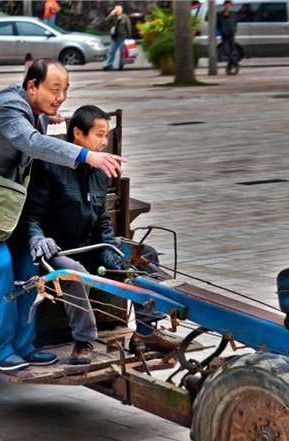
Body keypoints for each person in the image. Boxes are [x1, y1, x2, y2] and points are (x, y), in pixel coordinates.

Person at [0, 60, 125, 373]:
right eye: (54, 89)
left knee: (29, 264)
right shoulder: (7, 107)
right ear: (32, 86)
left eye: (65, 90)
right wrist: (86, 155)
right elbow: (30, 143)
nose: (61, 97)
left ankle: (23, 345)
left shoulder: (37, 113)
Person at [21, 105, 178, 365]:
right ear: (78, 134)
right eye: (99, 135)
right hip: (55, 252)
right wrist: (39, 239)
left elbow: (102, 220)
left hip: (89, 247)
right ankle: (83, 341)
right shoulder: (49, 167)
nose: (104, 142)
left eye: (106, 135)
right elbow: (32, 217)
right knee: (73, 272)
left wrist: (113, 252)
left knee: (144, 255)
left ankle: (145, 331)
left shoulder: (99, 173)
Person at [103, 5, 132, 71]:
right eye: (116, 10)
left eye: (119, 10)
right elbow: (106, 21)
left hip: (122, 37)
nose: (118, 11)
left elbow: (128, 26)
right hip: (114, 37)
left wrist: (129, 36)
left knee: (122, 52)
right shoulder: (113, 16)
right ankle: (109, 65)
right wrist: (111, 14)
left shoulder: (125, 17)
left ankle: (121, 64)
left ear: (121, 10)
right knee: (111, 51)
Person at [217, 1, 239, 75]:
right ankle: (235, 64)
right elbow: (218, 25)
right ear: (224, 5)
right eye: (226, 5)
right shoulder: (220, 15)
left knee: (232, 52)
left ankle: (229, 69)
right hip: (224, 36)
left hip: (232, 36)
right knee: (227, 52)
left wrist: (234, 30)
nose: (228, 6)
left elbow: (235, 23)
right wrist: (220, 31)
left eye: (229, 5)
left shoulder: (233, 14)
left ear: (231, 6)